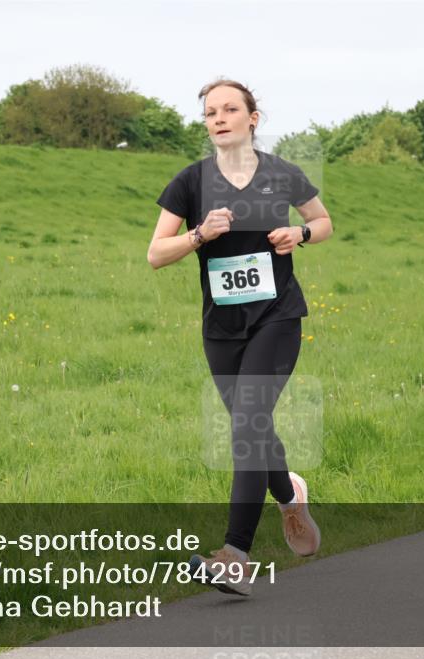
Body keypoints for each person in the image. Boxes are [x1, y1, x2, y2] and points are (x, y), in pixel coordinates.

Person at [147, 79, 333, 596]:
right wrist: (200, 234)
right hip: (222, 328)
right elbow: (155, 254)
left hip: (276, 316)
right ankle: (289, 496)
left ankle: (235, 556)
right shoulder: (189, 183)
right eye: (210, 112)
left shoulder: (281, 173)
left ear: (253, 117)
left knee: (247, 423)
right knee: (253, 427)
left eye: (231, 109)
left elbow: (323, 221)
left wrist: (300, 234)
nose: (219, 118)